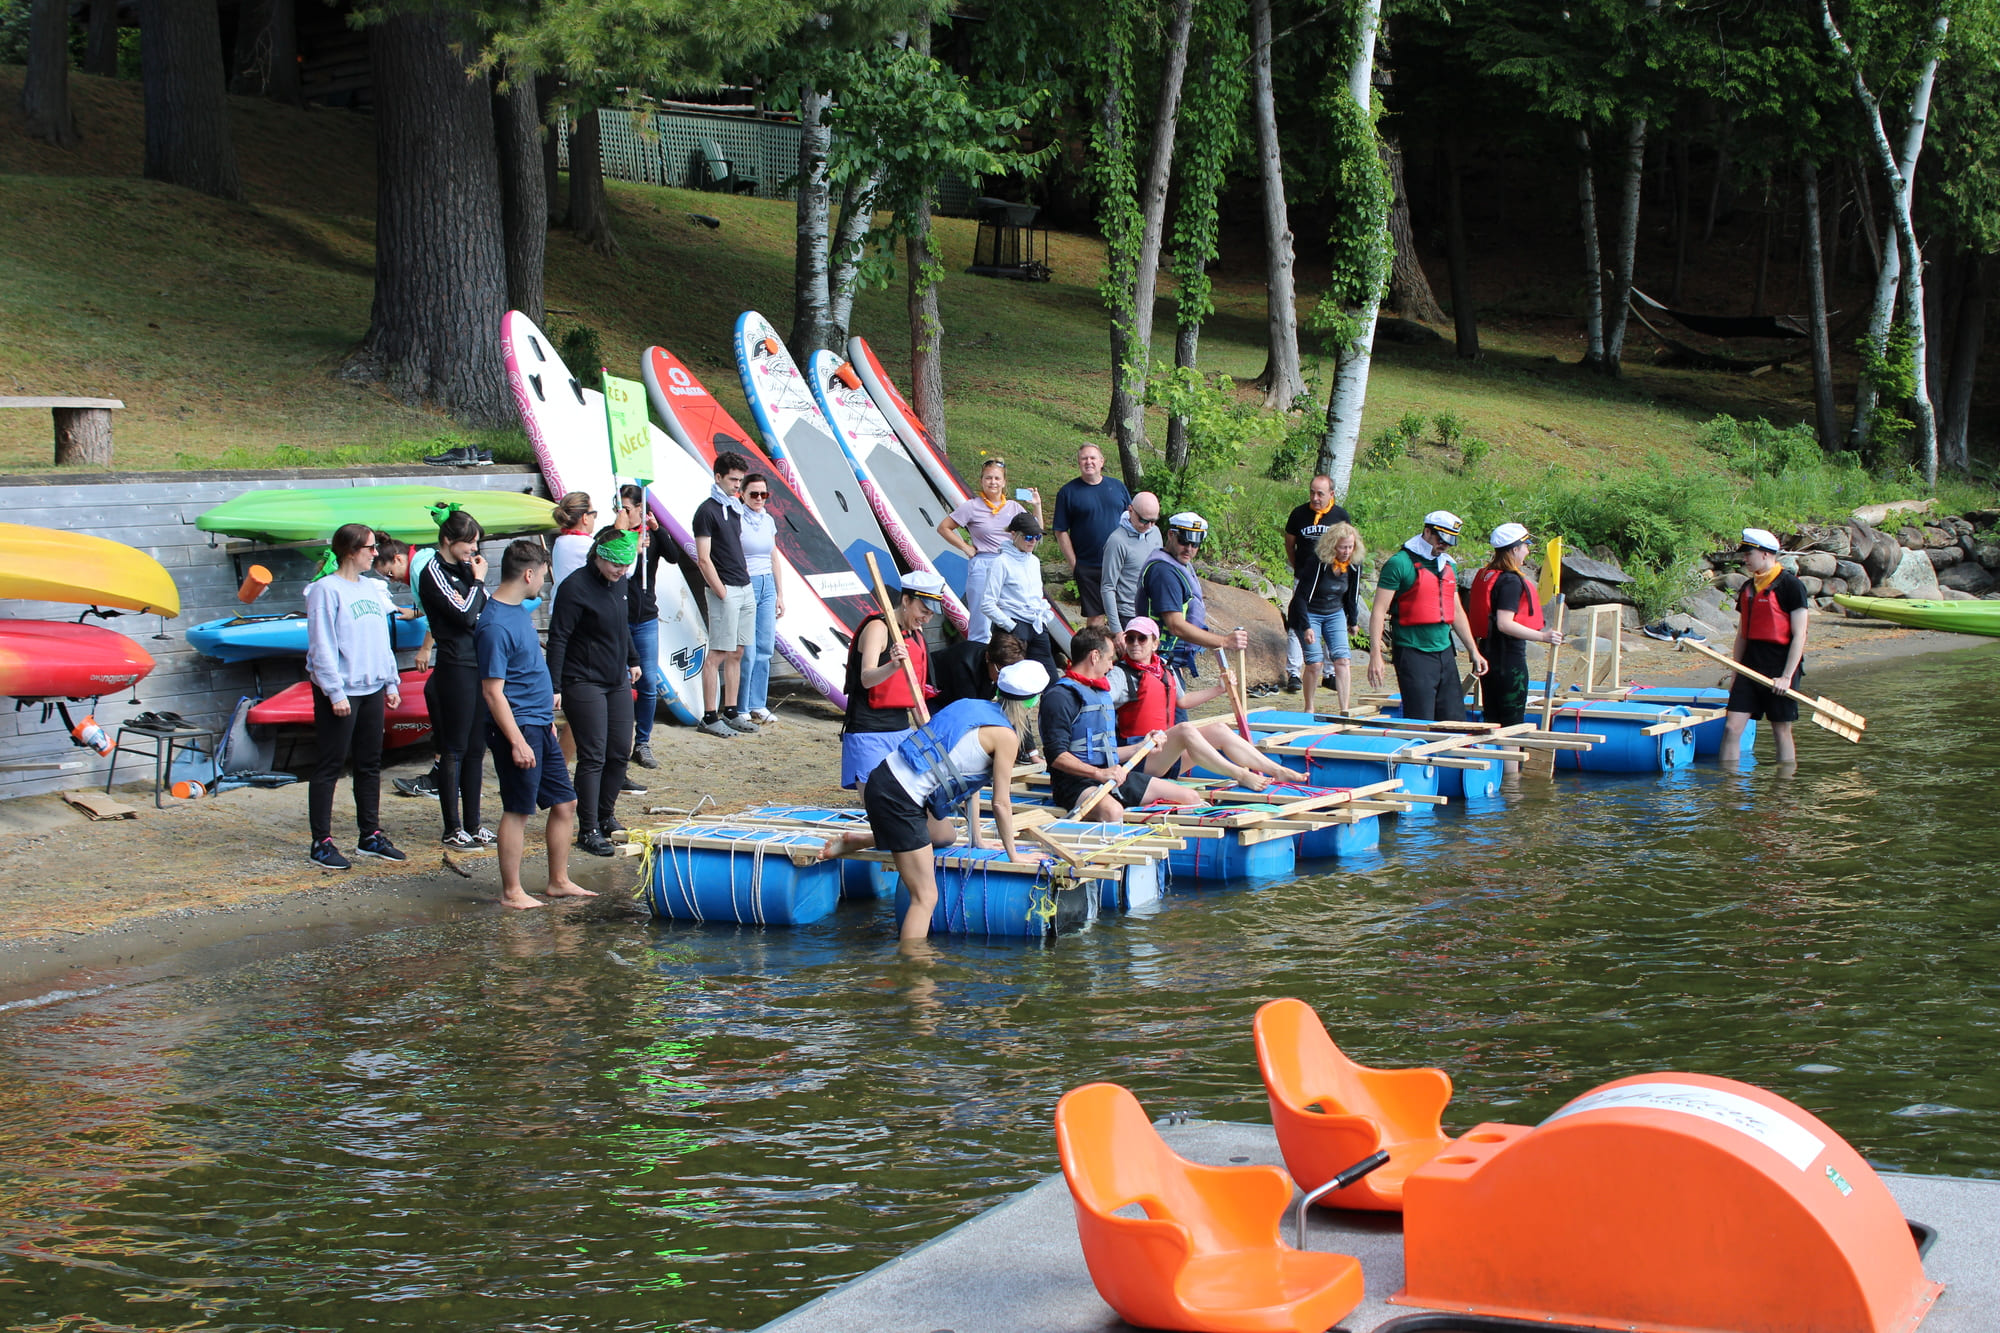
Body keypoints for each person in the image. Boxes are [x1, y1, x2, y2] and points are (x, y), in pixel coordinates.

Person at [817, 661, 1050, 941]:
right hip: (897, 799)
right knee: (926, 898)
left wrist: (976, 838)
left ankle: (862, 839)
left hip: (885, 779)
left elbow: (971, 784)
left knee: (944, 835)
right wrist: (1014, 855)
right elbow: (1001, 802)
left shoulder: (970, 707)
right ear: (1033, 701)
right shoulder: (1006, 736)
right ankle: (914, 974)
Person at [476, 540, 595, 909]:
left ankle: (558, 881)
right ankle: (511, 892)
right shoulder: (494, 623)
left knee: (565, 802)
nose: (543, 581)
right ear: (529, 573)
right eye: (543, 574)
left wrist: (546, 718)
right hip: (518, 728)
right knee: (518, 808)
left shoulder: (517, 611)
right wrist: (517, 741)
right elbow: (493, 692)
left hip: (539, 723)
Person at [303, 523, 405, 869]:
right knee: (331, 764)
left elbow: (380, 640)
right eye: (370, 548)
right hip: (342, 690)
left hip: (372, 686)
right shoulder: (325, 590)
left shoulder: (371, 588)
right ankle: (322, 841)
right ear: (350, 551)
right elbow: (321, 645)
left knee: (369, 762)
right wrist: (334, 690)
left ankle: (370, 835)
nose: (376, 554)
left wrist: (390, 682)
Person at [1110, 616, 1308, 791]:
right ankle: (1240, 775)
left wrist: (1219, 689)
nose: (1135, 643)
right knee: (1185, 729)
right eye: (1130, 638)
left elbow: (1183, 701)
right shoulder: (1120, 675)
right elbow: (1102, 698)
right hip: (1139, 760)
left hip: (1165, 756)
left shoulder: (1164, 668)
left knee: (1219, 729)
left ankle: (1277, 770)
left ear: (1154, 643)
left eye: (1142, 638)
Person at [546, 526, 642, 857]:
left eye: (626, 566)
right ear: (599, 557)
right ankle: (586, 829)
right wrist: (554, 685)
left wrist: (633, 658)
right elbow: (558, 637)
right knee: (594, 753)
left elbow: (621, 623)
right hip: (582, 678)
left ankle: (606, 816)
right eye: (617, 565)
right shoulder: (575, 588)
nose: (622, 572)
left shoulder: (620, 582)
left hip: (615, 676)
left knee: (619, 751)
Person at [1042, 626, 1205, 820]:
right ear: (1095, 656)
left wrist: (1142, 746)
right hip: (1074, 783)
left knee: (1190, 797)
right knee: (1113, 811)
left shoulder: (1100, 693)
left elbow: (1104, 752)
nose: (1112, 666)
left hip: (1113, 775)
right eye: (1110, 659)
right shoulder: (1060, 697)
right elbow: (1056, 756)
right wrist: (1098, 774)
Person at [415, 504, 493, 848]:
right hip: (454, 665)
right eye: (467, 544)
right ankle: (452, 827)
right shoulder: (432, 571)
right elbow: (463, 614)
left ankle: (474, 823)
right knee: (454, 748)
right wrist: (477, 582)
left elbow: (485, 608)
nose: (473, 551)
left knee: (476, 748)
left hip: (478, 664)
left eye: (475, 544)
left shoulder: (464, 569)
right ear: (448, 540)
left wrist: (475, 584)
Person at [1367, 510, 1487, 721]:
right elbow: (1378, 611)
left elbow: (1456, 610)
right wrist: (1375, 655)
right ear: (1427, 532)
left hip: (1444, 650)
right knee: (1420, 718)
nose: (1445, 545)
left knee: (1454, 719)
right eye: (1441, 539)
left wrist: (1473, 650)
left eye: (1449, 541)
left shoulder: (1448, 565)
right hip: (1413, 651)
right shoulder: (1400, 563)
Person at [839, 570, 947, 793]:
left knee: (909, 803)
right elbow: (867, 678)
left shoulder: (915, 635)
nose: (926, 619)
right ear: (906, 600)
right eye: (923, 611)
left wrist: (928, 736)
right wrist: (893, 665)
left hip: (900, 730)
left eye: (931, 614)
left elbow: (916, 696)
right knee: (879, 807)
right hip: (868, 730)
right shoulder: (878, 628)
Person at [1721, 527, 1811, 765]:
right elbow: (1742, 634)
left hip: (1780, 664)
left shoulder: (1792, 586)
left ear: (1764, 554)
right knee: (1732, 727)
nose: (1745, 559)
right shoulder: (1748, 588)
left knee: (1780, 730)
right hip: (1750, 664)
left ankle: (1784, 793)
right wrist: (1735, 671)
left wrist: (1786, 677)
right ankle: (1730, 792)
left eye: (1748, 553)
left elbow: (1799, 635)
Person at [1466, 524, 1565, 735]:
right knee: (1512, 723)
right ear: (1514, 549)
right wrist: (1544, 636)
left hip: (1489, 655)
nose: (1527, 551)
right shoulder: (1510, 581)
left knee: (1493, 717)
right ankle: (1512, 769)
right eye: (1525, 546)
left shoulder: (1488, 574)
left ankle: (1497, 765)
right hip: (1508, 660)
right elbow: (1505, 623)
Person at [1132, 511, 1250, 677]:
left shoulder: (1177, 562)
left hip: (1171, 660)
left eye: (1195, 545)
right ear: (1171, 535)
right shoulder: (1164, 572)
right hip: (1158, 660)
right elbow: (1176, 625)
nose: (1189, 549)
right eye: (1184, 542)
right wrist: (1224, 641)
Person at [938, 457, 1042, 642]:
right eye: (988, 478)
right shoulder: (972, 506)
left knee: (1010, 616)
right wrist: (965, 547)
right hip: (985, 564)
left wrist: (1036, 506)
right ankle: (979, 661)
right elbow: (944, 527)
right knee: (981, 622)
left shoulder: (1013, 507)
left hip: (1010, 565)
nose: (992, 482)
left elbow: (1035, 531)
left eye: (996, 478)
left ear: (1003, 482)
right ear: (981, 481)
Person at [693, 451, 759, 737]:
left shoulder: (734, 507)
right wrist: (720, 590)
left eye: (740, 480)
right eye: (733, 479)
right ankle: (709, 715)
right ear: (718, 476)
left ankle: (731, 710)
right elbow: (703, 557)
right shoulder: (706, 511)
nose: (737, 485)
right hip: (726, 589)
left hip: (743, 586)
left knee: (738, 650)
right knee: (718, 653)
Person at [1282, 476, 1352, 691]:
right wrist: (1298, 568)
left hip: (1332, 582)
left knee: (1331, 624)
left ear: (1331, 494)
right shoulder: (1299, 514)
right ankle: (1294, 672)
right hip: (1304, 578)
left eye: (1320, 493)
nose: (1315, 498)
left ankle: (1329, 673)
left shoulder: (1340, 516)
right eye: (1312, 492)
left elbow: (1348, 545)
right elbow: (1289, 543)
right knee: (1298, 623)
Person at [1287, 522, 1365, 715]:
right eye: (1342, 547)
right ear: (1332, 546)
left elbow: (1352, 595)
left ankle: (1345, 709)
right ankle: (1309, 707)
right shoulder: (1318, 563)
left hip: (1334, 612)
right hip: (1309, 612)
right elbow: (1300, 598)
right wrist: (1306, 627)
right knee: (1315, 663)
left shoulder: (1353, 565)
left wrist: (1353, 621)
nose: (1346, 551)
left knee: (1343, 660)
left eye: (1350, 547)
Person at [615, 485, 668, 769]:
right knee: (619, 683)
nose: (622, 513)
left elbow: (672, 555)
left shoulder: (650, 535)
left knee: (648, 683)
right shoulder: (615, 535)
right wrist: (630, 546)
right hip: (619, 618)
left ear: (639, 508)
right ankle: (619, 743)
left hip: (645, 617)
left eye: (626, 508)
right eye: (619, 508)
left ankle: (643, 742)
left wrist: (658, 529)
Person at [1052, 444, 1133, 626]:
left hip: (1120, 564)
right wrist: (1075, 565)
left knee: (1124, 614)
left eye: (1093, 458)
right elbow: (1060, 530)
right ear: (1079, 462)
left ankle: (1125, 653)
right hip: (1088, 566)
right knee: (1096, 617)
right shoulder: (1068, 493)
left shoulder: (1117, 487)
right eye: (1084, 458)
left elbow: (1131, 520)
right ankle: (1095, 653)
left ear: (1101, 462)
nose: (1089, 462)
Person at [979, 512, 1059, 677]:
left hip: (1036, 623)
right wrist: (1011, 625)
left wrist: (1044, 616)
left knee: (1049, 675)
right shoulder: (1000, 563)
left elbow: (1037, 595)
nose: (1033, 541)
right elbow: (987, 604)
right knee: (1011, 676)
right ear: (1013, 534)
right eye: (1028, 537)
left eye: (1037, 537)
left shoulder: (1034, 561)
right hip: (1013, 624)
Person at [735, 471, 784, 725]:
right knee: (748, 649)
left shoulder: (768, 520)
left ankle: (758, 702)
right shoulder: (737, 518)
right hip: (748, 582)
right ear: (742, 493)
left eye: (763, 494)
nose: (759, 498)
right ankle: (741, 704)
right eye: (753, 493)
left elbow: (774, 556)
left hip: (767, 583)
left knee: (765, 646)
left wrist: (779, 593)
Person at [1099, 491, 1162, 635]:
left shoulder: (1155, 532)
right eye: (1143, 520)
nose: (1148, 526)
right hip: (1128, 615)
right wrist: (1117, 631)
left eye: (1153, 521)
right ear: (1131, 511)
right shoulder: (1117, 541)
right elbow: (1108, 587)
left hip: (1153, 611)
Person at [932, 631, 1025, 709]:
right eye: (1000, 672)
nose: (1003, 678)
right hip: (934, 691)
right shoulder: (965, 665)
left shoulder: (994, 662)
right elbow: (970, 708)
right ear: (988, 657)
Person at [549, 493, 597, 600]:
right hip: (578, 607)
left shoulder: (561, 541)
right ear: (585, 518)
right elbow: (627, 570)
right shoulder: (585, 544)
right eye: (593, 515)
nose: (594, 519)